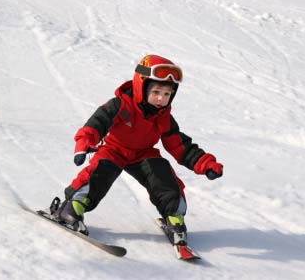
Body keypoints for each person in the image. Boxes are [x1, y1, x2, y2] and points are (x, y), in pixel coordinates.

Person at [52, 54, 223, 245]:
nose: (161, 99)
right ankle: (71, 208)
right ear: (141, 86)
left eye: (167, 94)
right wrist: (84, 142)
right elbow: (97, 123)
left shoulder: (163, 116)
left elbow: (179, 144)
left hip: (143, 153)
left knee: (162, 175)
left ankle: (174, 217)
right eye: (156, 92)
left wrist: (205, 163)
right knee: (100, 172)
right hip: (115, 149)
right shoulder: (120, 105)